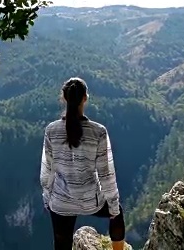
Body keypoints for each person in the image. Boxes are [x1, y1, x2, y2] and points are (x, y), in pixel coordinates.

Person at [40, 77, 125, 250]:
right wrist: (114, 208)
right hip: (90, 200)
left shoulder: (51, 130)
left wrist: (48, 199)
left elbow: (47, 171)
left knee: (61, 243)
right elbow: (106, 176)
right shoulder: (98, 132)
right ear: (85, 98)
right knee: (118, 215)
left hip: (61, 201)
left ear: (63, 98)